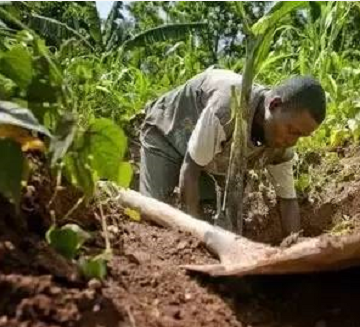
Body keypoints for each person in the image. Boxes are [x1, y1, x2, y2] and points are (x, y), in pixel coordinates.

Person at [139, 68, 326, 237]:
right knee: (153, 214)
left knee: (213, 216)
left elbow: (287, 200)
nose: (292, 141)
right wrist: (200, 240)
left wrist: (294, 242)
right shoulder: (228, 107)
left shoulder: (281, 142)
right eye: (292, 131)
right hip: (168, 133)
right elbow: (190, 171)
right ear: (274, 105)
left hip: (209, 157)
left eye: (301, 136)